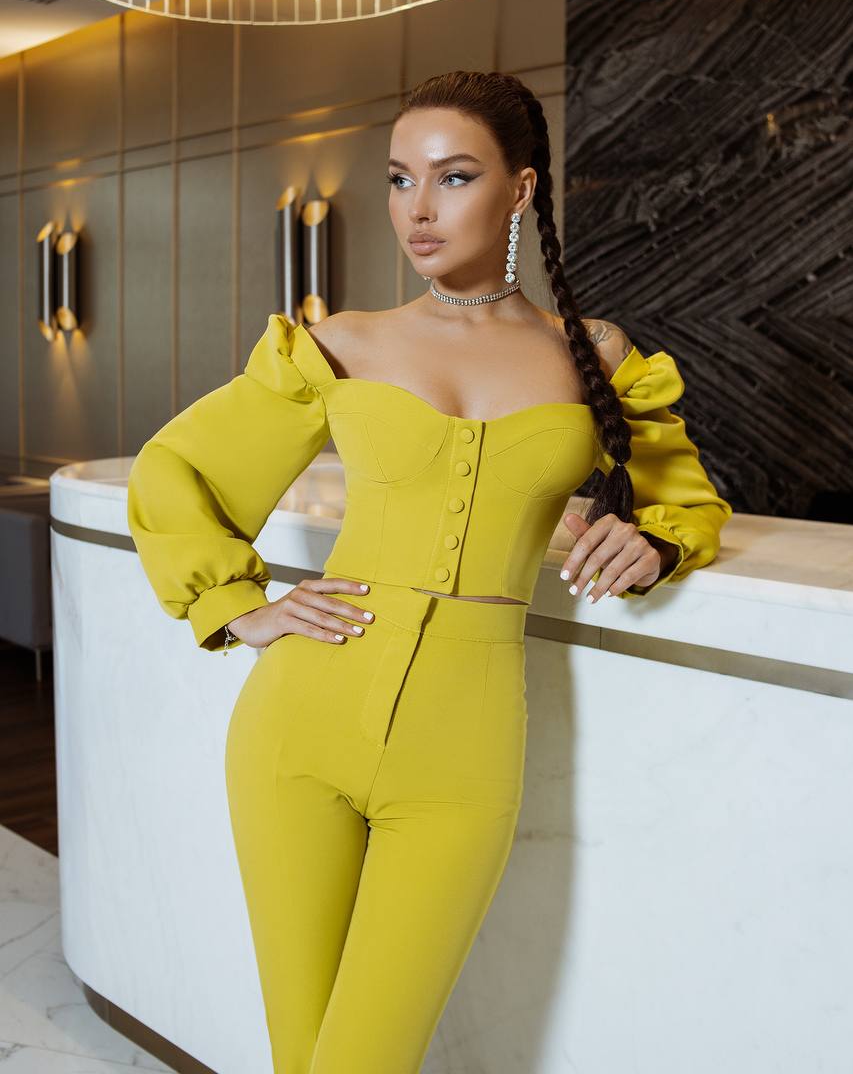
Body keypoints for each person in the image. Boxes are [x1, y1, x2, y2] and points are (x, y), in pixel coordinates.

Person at [127, 69, 732, 1073]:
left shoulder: (596, 355)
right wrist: (239, 605)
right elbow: (179, 467)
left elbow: (687, 495)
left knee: (367, 1057)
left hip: (464, 748)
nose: (418, 206)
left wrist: (657, 539)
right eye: (401, 177)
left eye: (452, 176)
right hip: (297, 727)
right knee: (300, 1054)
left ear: (521, 190)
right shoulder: (341, 342)